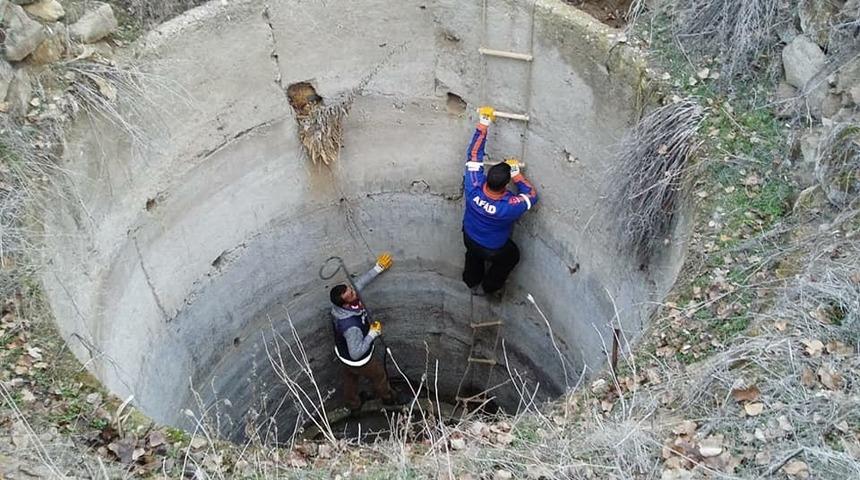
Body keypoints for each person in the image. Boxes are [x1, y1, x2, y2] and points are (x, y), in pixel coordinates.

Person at [462, 106, 539, 297]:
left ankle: (471, 280)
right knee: (512, 256)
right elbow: (532, 195)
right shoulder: (508, 207)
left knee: (473, 255)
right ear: (506, 185)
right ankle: (490, 287)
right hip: (493, 249)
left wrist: (483, 123)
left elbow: (473, 155)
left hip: (469, 237)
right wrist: (517, 175)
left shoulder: (473, 187)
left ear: (486, 177)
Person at [329, 252, 404, 411]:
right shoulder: (352, 327)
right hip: (359, 360)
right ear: (346, 304)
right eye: (351, 294)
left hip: (344, 356)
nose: (354, 291)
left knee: (350, 378)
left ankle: (353, 405)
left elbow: (358, 285)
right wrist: (372, 334)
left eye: (350, 289)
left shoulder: (338, 308)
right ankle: (388, 398)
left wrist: (377, 268)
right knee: (379, 376)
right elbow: (356, 352)